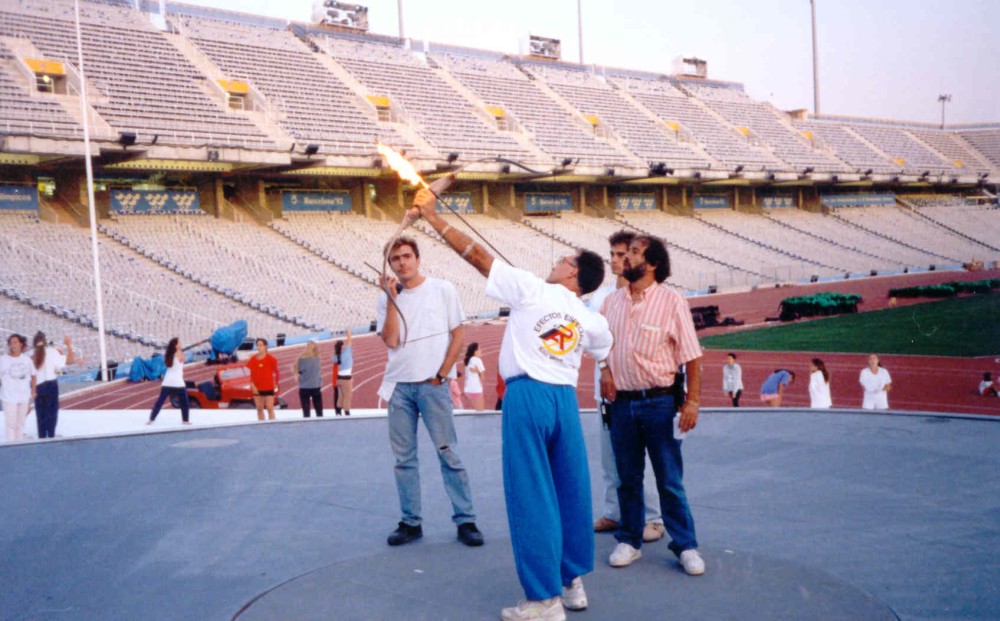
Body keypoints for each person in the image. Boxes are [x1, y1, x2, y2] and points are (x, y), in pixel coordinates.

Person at [410, 183, 613, 620]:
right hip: (564, 401)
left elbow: (477, 256)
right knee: (569, 491)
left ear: (573, 274)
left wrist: (432, 218)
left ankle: (543, 601)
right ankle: (570, 581)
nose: (555, 263)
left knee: (531, 495)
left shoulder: (531, 288)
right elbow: (603, 345)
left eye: (563, 261)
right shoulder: (586, 316)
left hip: (528, 396)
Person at [599, 234, 707, 579]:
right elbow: (600, 343)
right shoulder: (611, 302)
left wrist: (691, 402)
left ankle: (686, 545)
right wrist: (604, 369)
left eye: (633, 252)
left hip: (660, 402)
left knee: (669, 479)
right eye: (625, 252)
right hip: (622, 406)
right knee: (627, 478)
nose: (625, 258)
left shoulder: (672, 301)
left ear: (653, 263)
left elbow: (691, 357)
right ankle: (629, 540)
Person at [376, 235, 483, 549]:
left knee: (449, 453)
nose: (402, 263)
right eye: (395, 259)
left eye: (407, 256)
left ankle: (466, 520)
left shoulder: (442, 289)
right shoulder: (386, 297)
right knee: (403, 459)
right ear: (390, 265)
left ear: (418, 258)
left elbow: (458, 334)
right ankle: (411, 522)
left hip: (432, 386)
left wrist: (441, 373)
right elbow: (391, 340)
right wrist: (391, 299)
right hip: (399, 387)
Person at [590, 229, 665, 545]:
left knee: (639, 461)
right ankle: (615, 511)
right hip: (607, 394)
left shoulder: (652, 296)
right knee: (610, 459)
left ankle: (652, 518)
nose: (617, 262)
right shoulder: (601, 298)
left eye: (623, 255)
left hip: (641, 394)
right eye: (613, 257)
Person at [31, 332, 76, 439]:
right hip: (51, 385)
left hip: (38, 386)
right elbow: (69, 359)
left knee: (40, 414)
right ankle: (51, 436)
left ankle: (42, 437)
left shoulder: (32, 356)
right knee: (51, 413)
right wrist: (68, 345)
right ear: (45, 341)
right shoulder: (51, 352)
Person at [147, 337, 190, 425]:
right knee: (184, 402)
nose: (181, 344)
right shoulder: (179, 353)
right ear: (176, 345)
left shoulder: (169, 355)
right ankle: (185, 420)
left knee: (160, 401)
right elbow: (185, 359)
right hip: (178, 382)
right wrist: (181, 351)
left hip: (167, 382)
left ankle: (151, 419)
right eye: (179, 343)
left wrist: (180, 351)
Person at [1, 334, 35, 442]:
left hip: (24, 396)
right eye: (11, 343)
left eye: (16, 342)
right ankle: (11, 446)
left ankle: (19, 444)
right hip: (9, 397)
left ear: (21, 344)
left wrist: (33, 390)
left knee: (20, 423)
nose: (13, 345)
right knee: (11, 424)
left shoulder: (27, 359)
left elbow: (33, 375)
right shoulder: (3, 360)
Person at [247, 338, 280, 421]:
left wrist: (276, 383)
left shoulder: (271, 359)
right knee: (259, 409)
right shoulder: (253, 360)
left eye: (261, 345)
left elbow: (277, 372)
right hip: (257, 388)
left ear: (265, 346)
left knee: (270, 408)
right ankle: (261, 426)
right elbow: (250, 374)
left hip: (268, 387)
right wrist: (253, 385)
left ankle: (272, 426)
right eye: (257, 345)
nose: (259, 347)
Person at [296, 341, 323, 418]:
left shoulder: (301, 359)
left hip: (304, 387)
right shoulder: (318, 359)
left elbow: (298, 370)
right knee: (319, 410)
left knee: (306, 411)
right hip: (315, 386)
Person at [333, 330, 353, 416]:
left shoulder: (335, 356)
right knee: (347, 396)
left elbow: (335, 357)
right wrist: (348, 332)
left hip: (339, 378)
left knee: (340, 396)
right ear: (342, 346)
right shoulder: (347, 352)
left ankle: (338, 411)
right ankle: (347, 411)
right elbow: (349, 341)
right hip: (346, 379)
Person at [462, 342, 486, 411]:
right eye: (479, 349)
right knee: (481, 412)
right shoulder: (478, 360)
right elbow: (482, 377)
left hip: (468, 389)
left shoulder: (468, 360)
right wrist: (478, 371)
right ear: (475, 352)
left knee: (477, 411)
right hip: (476, 389)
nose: (481, 350)